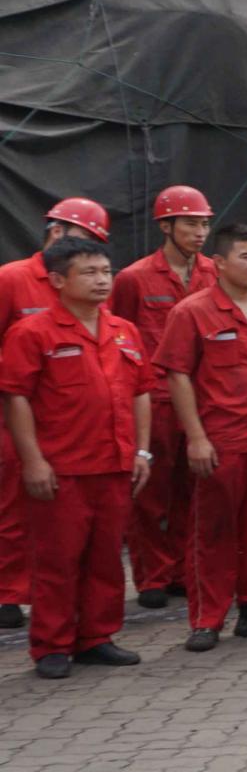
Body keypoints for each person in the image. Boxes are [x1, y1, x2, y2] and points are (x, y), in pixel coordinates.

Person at [2, 238, 152, 678]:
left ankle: (96, 638)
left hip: (115, 464)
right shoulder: (32, 333)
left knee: (106, 558)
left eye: (106, 271)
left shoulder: (124, 330)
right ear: (57, 280)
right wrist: (33, 462)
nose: (102, 280)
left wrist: (142, 451)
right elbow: (17, 399)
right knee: (57, 560)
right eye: (89, 272)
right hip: (62, 469)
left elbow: (141, 391)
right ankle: (51, 645)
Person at [153, 224, 247, 652]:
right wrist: (196, 438)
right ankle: (207, 619)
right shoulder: (191, 312)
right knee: (213, 532)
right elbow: (178, 376)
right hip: (223, 442)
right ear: (219, 263)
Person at [0, 197, 113, 632]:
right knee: (15, 505)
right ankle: (10, 593)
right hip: (21, 410)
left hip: (77, 419)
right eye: (85, 242)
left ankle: (85, 620)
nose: (95, 265)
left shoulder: (95, 284)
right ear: (57, 232)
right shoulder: (13, 279)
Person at [112, 184, 218, 608]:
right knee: (151, 494)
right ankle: (153, 577)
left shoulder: (216, 274)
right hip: (154, 402)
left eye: (205, 224)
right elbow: (119, 341)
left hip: (204, 400)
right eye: (191, 223)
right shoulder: (133, 279)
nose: (200, 232)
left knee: (194, 491)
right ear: (166, 225)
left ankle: (181, 570)